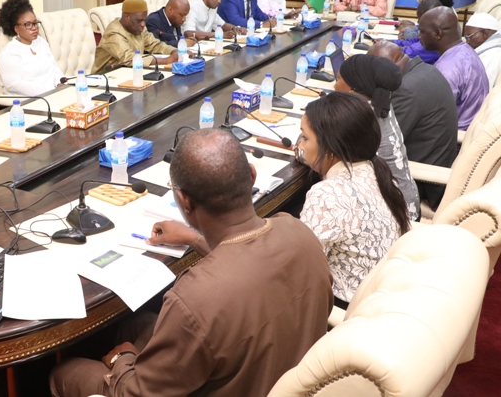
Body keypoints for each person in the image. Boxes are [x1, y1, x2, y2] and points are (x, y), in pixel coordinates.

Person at [50, 129, 333, 397]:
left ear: (184, 202)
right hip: (279, 374)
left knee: (64, 371)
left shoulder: (193, 299)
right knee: (136, 325)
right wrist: (195, 239)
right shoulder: (299, 232)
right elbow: (247, 265)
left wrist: (122, 361)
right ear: (251, 175)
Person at [296, 92, 411, 307]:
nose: (300, 146)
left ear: (330, 148)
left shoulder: (327, 196)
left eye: (304, 137)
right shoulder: (376, 170)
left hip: (346, 312)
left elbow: (302, 273)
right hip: (382, 297)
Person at [368, 41, 458, 209]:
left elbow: (379, 144)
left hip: (421, 182)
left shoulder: (405, 89)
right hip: (436, 160)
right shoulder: (426, 70)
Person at [336, 54, 420, 221]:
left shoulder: (357, 118)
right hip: (407, 202)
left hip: (394, 216)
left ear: (352, 89)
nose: (334, 83)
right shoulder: (380, 104)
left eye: (338, 78)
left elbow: (321, 153)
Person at [419, 6, 489, 130]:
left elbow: (433, 117)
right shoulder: (466, 51)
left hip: (455, 140)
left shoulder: (448, 68)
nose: (419, 36)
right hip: (470, 131)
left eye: (422, 32)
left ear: (437, 34)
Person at [0, 0, 64, 96]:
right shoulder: (9, 54)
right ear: (16, 29)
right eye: (28, 24)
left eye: (35, 23)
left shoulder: (41, 42)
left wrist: (60, 83)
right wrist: (49, 91)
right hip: (33, 101)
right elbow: (14, 85)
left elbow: (54, 68)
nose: (34, 28)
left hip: (56, 93)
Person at [92, 0, 179, 74]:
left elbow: (155, 45)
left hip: (130, 73)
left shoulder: (139, 28)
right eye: (139, 20)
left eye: (144, 20)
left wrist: (174, 51)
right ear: (127, 17)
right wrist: (166, 61)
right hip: (104, 79)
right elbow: (128, 58)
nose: (143, 24)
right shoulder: (113, 33)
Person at [393, 0, 442, 65]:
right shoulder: (431, 34)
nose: (418, 22)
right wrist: (392, 42)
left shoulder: (432, 44)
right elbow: (414, 41)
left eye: (421, 19)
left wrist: (387, 47)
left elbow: (410, 52)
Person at [464, 13, 501, 87]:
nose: (467, 42)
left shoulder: (492, 56)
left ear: (484, 33)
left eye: (469, 36)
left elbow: (482, 89)